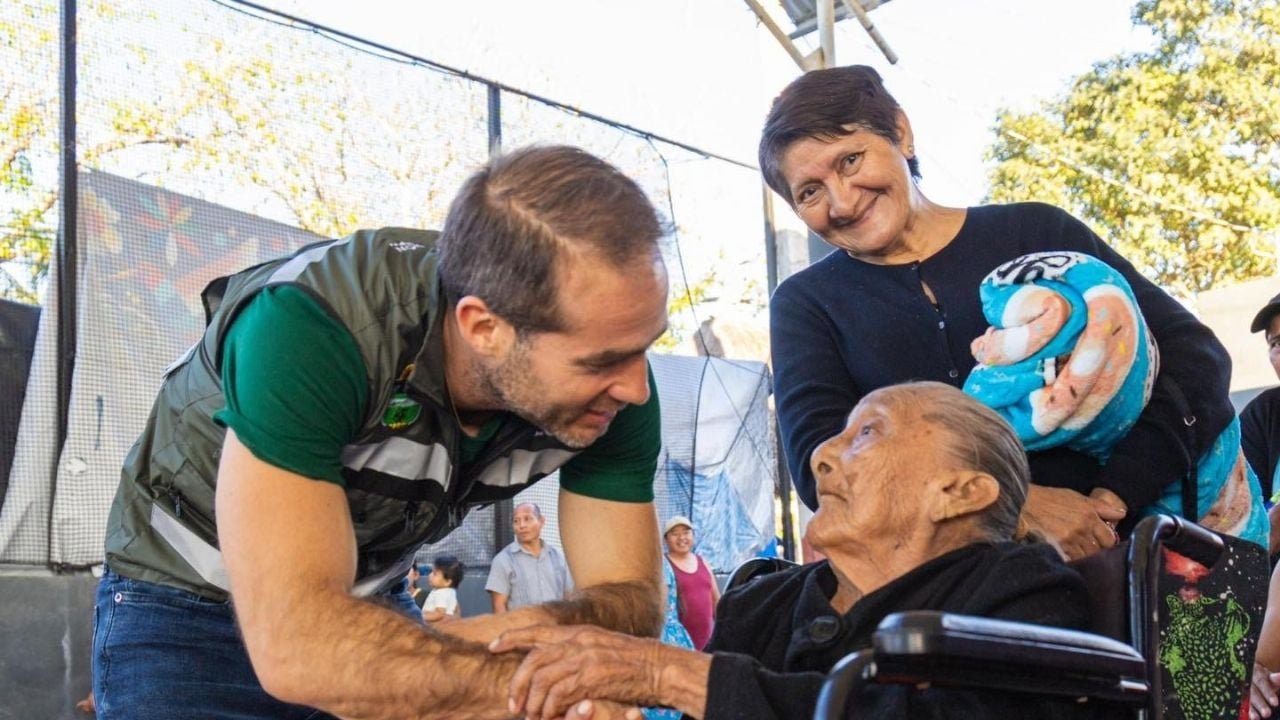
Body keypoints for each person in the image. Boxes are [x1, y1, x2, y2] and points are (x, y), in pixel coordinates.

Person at [92, 145, 671, 719]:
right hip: (179, 608)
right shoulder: (310, 327)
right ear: (484, 327)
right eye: (599, 362)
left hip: (366, 603)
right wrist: (542, 684)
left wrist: (515, 635)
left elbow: (631, 601)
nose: (637, 389)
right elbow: (301, 648)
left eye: (644, 347)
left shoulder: (613, 388)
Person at [764, 65, 1237, 561]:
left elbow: (1195, 361)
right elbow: (823, 463)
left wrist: (1112, 499)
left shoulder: (1037, 232)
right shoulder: (806, 305)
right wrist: (1020, 508)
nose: (840, 202)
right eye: (809, 192)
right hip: (961, 601)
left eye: (851, 160)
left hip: (1140, 571)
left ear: (900, 133)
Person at [491, 382, 1102, 720]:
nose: (821, 456)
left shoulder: (1020, 595)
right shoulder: (762, 603)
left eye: (868, 432)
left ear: (960, 491)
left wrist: (667, 673)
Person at [487, 502, 575, 613]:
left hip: (556, 628)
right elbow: (498, 606)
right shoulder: (503, 561)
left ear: (541, 521)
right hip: (521, 629)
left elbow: (570, 598)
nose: (522, 525)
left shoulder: (558, 557)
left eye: (527, 519)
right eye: (516, 521)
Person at [662, 515, 720, 650]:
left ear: (693, 536)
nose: (682, 538)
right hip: (678, 644)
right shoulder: (664, 566)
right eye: (675, 534)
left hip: (708, 642)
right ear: (666, 540)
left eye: (686, 533)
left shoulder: (703, 562)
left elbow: (716, 599)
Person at [422, 555, 465, 623]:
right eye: (431, 572)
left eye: (434, 573)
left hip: (436, 626)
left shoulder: (440, 593)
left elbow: (440, 614)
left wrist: (418, 616)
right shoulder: (450, 592)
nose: (430, 575)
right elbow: (457, 611)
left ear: (447, 582)